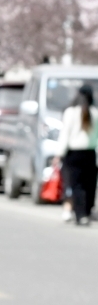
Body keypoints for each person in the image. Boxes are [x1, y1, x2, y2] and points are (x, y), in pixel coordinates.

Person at [53, 84, 98, 226]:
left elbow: (64, 135)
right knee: (89, 185)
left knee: (76, 185)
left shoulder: (71, 113)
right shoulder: (95, 113)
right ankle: (87, 211)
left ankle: (80, 214)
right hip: (90, 153)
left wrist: (59, 154)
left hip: (73, 154)